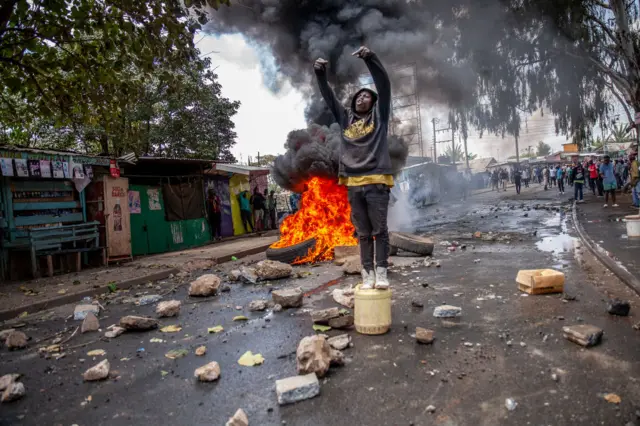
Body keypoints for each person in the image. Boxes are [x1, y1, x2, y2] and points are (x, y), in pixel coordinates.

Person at [314, 45, 392, 289]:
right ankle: (367, 273)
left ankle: (381, 272)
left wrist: (370, 58)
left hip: (376, 181)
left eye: (366, 95)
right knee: (363, 233)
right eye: (358, 95)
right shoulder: (345, 116)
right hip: (353, 185)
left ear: (374, 102)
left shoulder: (380, 115)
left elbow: (384, 84)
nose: (362, 97)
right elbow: (328, 96)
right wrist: (319, 74)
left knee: (380, 230)